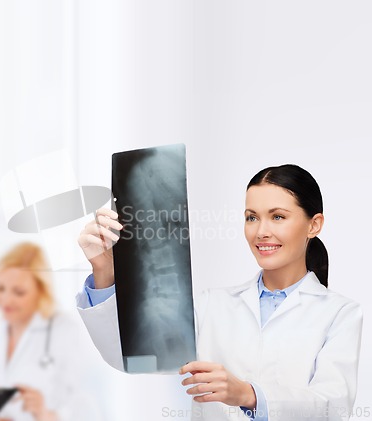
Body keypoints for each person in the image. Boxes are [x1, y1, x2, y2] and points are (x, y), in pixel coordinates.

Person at [76, 164, 363, 421]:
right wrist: (104, 271)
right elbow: (131, 356)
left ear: (314, 225)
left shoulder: (340, 313)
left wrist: (249, 395)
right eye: (251, 217)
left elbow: (333, 408)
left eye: (277, 217)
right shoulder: (212, 305)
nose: (261, 231)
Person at [0, 242, 94, 421]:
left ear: (40, 290)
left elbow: (81, 407)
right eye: (0, 289)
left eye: (19, 292)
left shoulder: (62, 329)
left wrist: (44, 414)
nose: (6, 300)